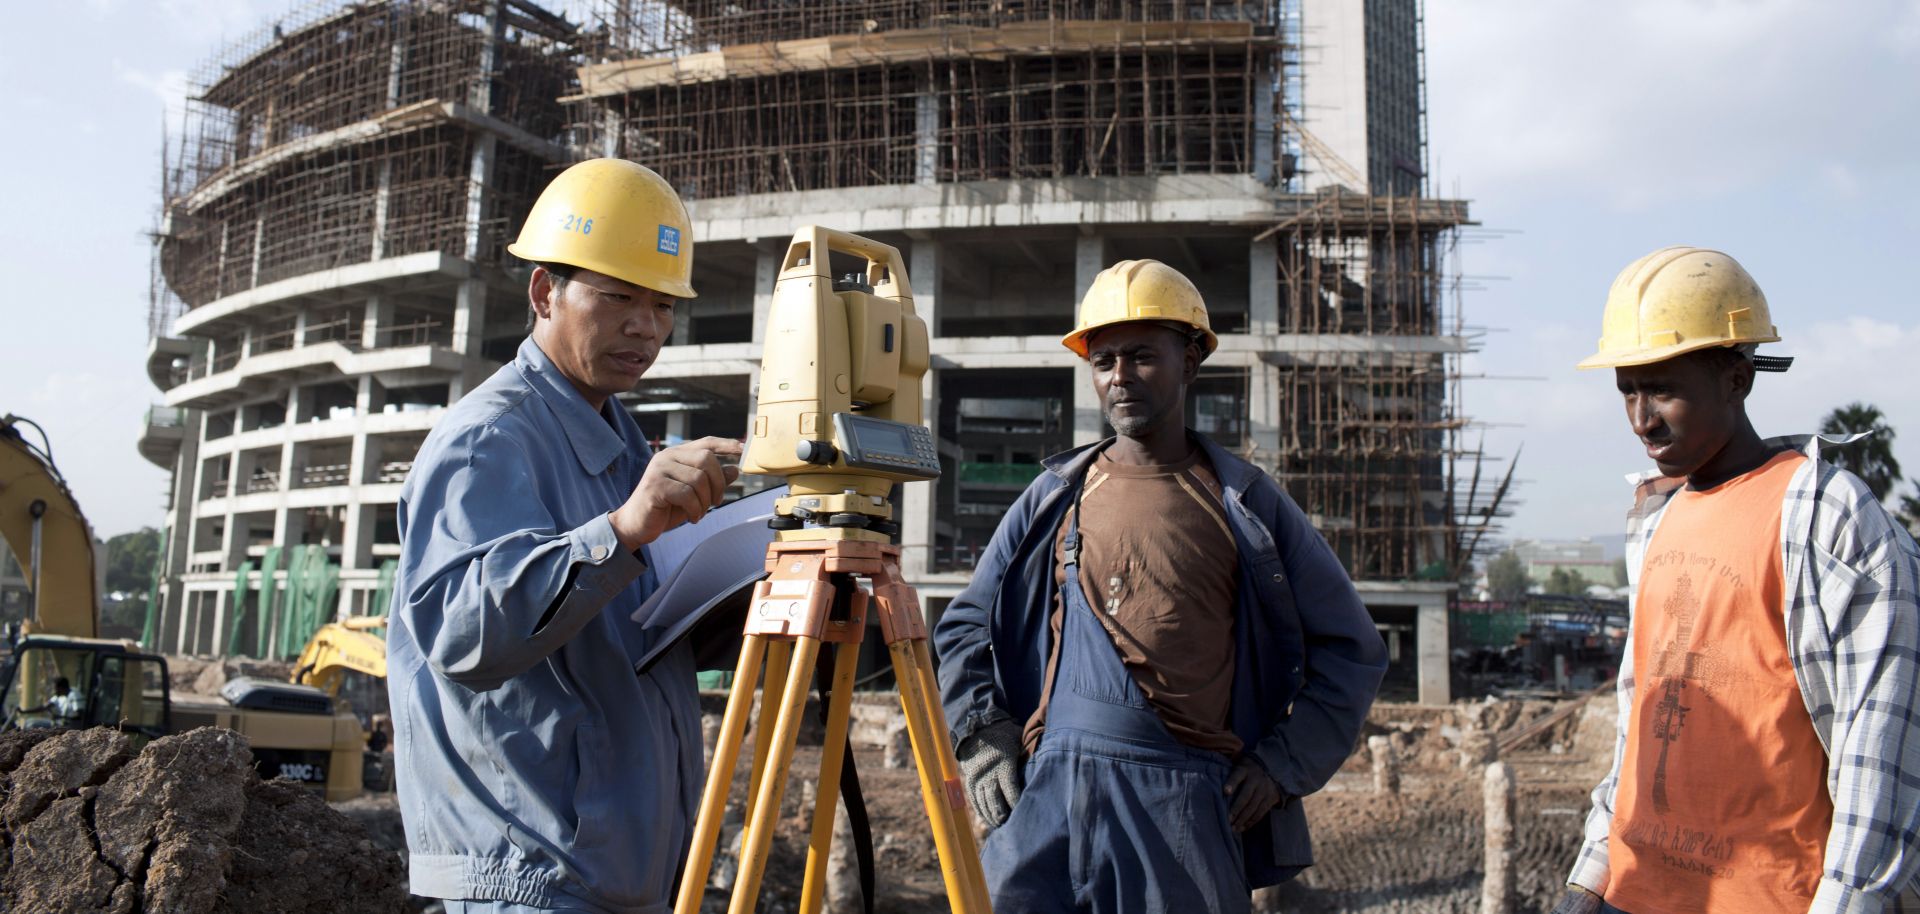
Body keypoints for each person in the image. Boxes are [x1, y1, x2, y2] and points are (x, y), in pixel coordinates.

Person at [933, 259, 1388, 912]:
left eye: (1143, 356)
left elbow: (1353, 649)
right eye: (1105, 360)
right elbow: (965, 625)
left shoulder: (1246, 505)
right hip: (1048, 796)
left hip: (1182, 809)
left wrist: (1281, 766)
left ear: (1191, 361)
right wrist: (981, 734)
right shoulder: (1055, 497)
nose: (1120, 377)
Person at [386, 158, 743, 914]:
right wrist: (622, 529)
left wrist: (749, 583)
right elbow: (457, 631)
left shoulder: (619, 443)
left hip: (617, 875)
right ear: (546, 293)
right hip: (526, 879)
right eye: (617, 298)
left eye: (661, 305)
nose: (645, 327)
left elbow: (631, 640)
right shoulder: (488, 440)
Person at [1556, 246, 1920, 914]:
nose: (1641, 418)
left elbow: (1880, 751)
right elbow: (1637, 724)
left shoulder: (1825, 517)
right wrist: (1589, 879)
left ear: (1736, 378)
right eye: (1628, 391)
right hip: (1634, 895)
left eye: (1663, 388)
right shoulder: (1655, 518)